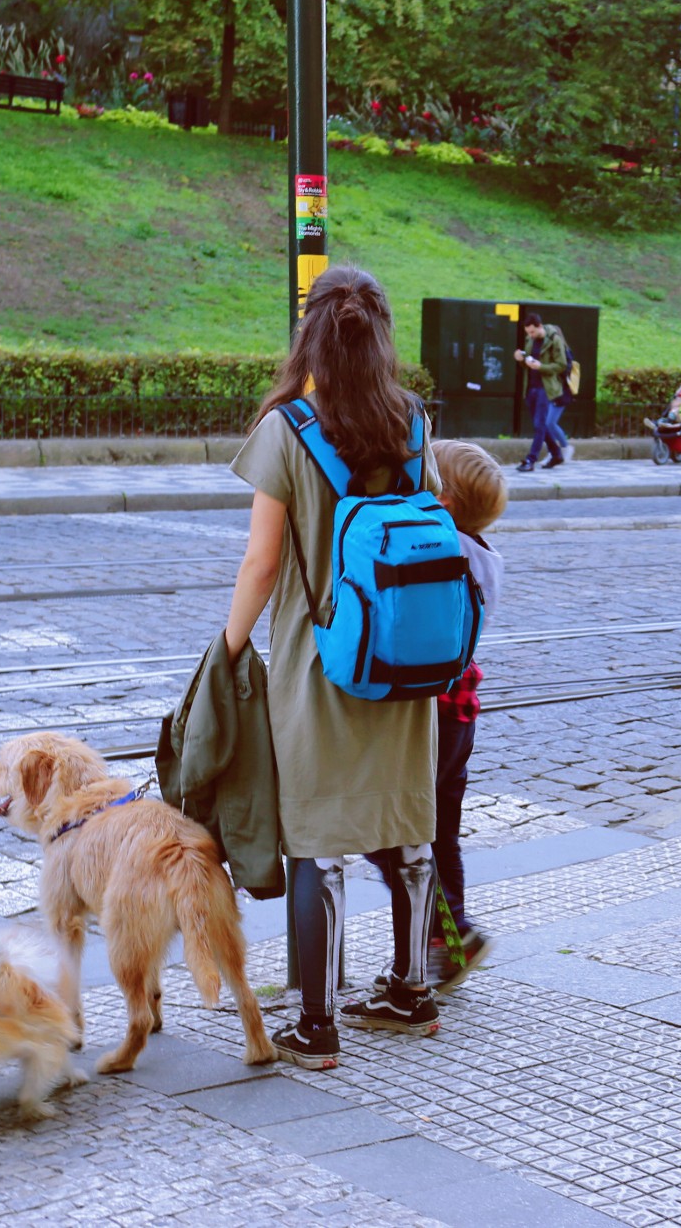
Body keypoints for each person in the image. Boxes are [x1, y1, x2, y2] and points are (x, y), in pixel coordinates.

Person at [224, 265, 444, 1068]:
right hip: (402, 656)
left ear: (311, 333)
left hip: (321, 661)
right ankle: (411, 989)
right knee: (407, 821)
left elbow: (261, 561)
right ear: (383, 336)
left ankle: (316, 1023)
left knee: (317, 835)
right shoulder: (415, 423)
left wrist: (229, 644)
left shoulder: (289, 429)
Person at [414, 441, 506, 990]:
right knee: (442, 830)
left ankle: (450, 929)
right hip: (461, 712)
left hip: (434, 713)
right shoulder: (485, 556)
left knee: (396, 833)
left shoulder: (442, 550)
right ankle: (446, 942)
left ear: (441, 503)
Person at [512, 311, 570, 473]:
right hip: (531, 387)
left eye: (532, 332)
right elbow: (528, 362)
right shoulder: (530, 339)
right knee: (540, 425)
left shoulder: (554, 339)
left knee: (540, 425)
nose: (530, 335)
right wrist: (521, 359)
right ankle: (557, 454)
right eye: (528, 333)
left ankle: (531, 460)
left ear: (539, 327)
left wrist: (541, 367)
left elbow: (561, 365)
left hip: (546, 388)